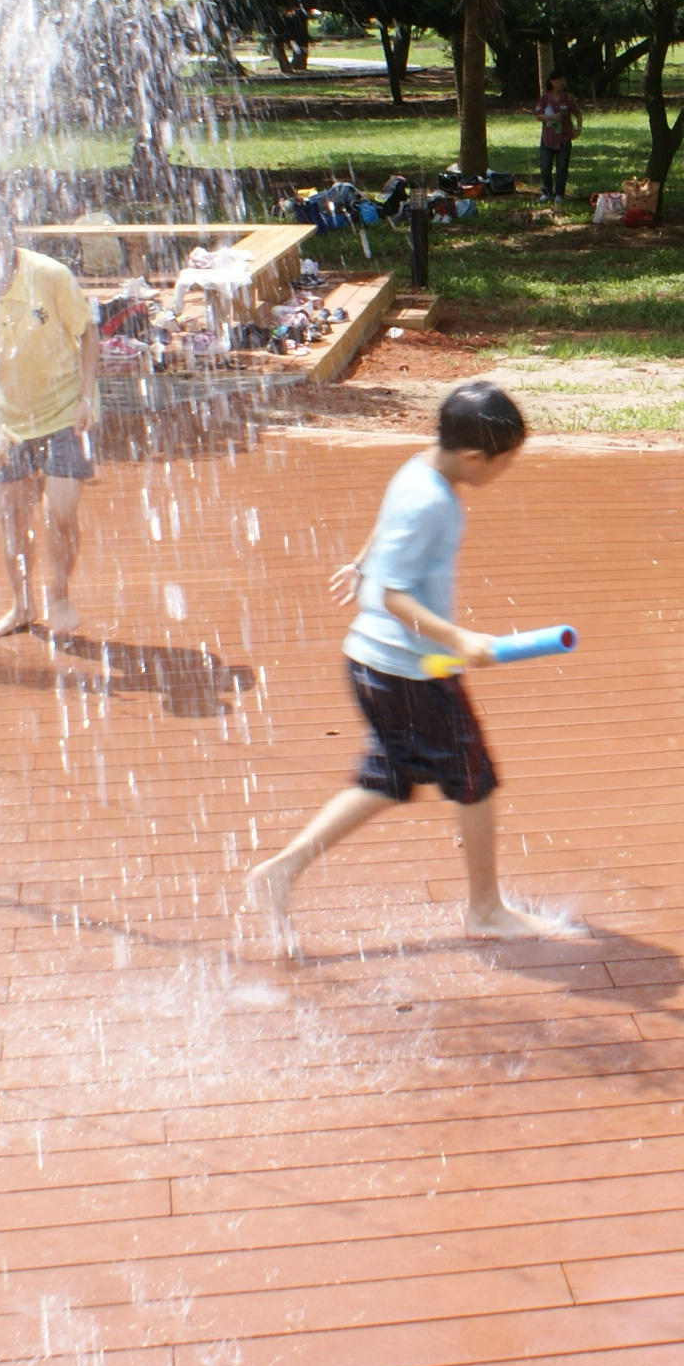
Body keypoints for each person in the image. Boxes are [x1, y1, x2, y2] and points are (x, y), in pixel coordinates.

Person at [241, 380, 564, 958]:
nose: (504, 472)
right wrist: (459, 637)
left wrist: (362, 560)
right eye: (505, 462)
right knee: (475, 780)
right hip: (410, 671)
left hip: (375, 664)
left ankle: (282, 871)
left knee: (389, 777)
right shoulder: (432, 501)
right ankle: (486, 910)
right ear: (473, 458)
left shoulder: (420, 467)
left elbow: (387, 544)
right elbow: (393, 595)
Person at [0, 218, 102, 638]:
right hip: (9, 418)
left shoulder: (48, 275)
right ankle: (22, 606)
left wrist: (85, 397)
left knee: (59, 512)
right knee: (11, 519)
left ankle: (59, 596)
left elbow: (88, 332)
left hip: (68, 409)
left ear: (10, 241)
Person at [533, 75, 583, 203]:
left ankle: (559, 194)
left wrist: (578, 128)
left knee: (562, 167)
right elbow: (538, 115)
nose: (562, 82)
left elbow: (577, 113)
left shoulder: (568, 98)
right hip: (548, 138)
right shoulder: (545, 98)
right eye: (559, 80)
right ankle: (547, 192)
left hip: (564, 138)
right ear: (552, 81)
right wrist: (551, 117)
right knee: (545, 167)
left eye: (564, 80)